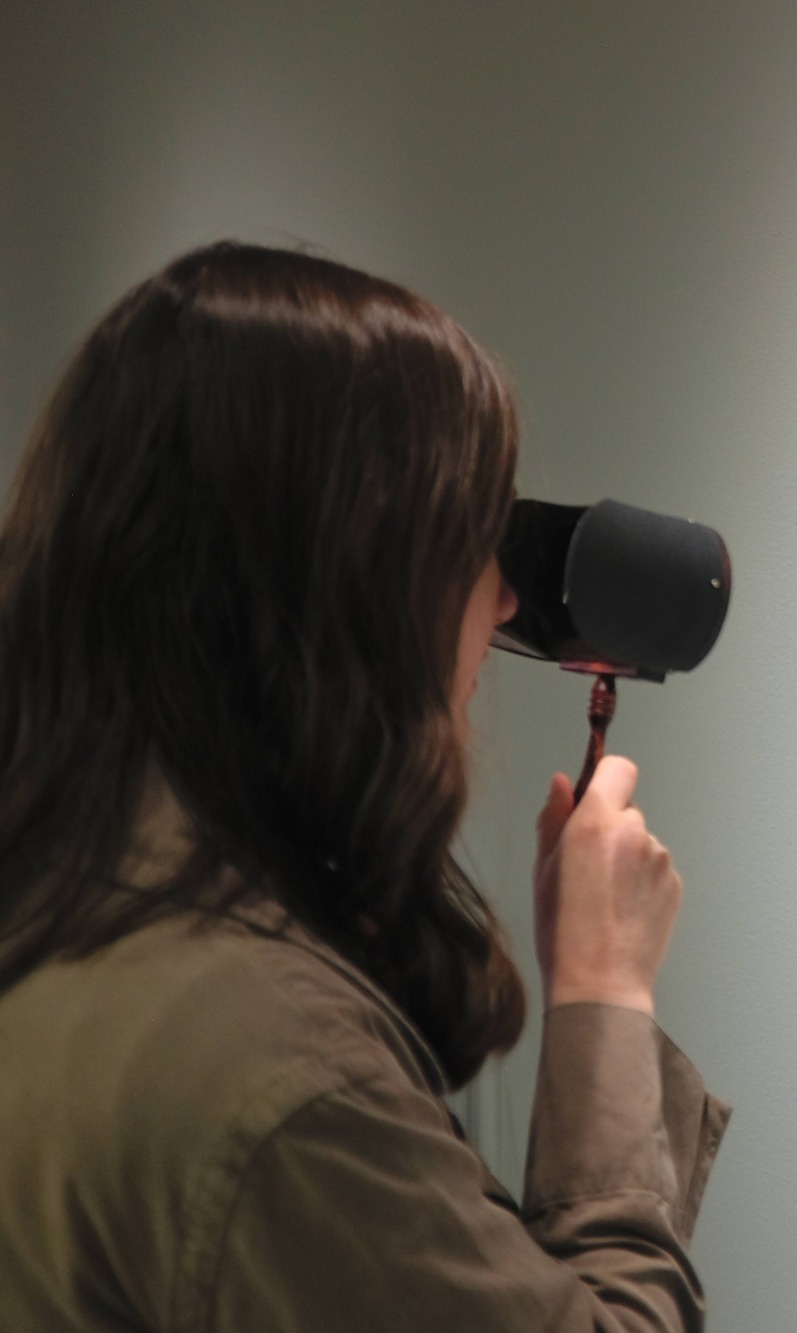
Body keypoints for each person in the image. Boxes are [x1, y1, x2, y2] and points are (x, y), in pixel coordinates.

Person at [0, 243, 726, 1330]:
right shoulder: (278, 1081)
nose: (500, 600)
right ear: (356, 590)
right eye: (468, 539)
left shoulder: (63, 881)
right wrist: (604, 991)